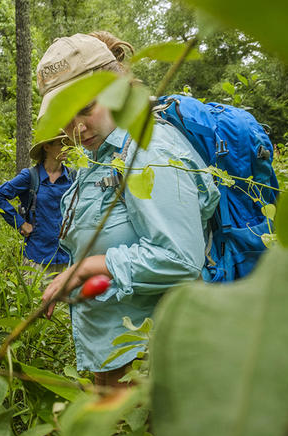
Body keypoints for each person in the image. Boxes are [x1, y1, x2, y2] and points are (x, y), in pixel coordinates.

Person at [39, 32, 220, 386]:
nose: (75, 126)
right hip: (116, 356)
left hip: (154, 361)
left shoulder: (149, 151)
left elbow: (181, 257)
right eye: (63, 113)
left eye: (87, 107)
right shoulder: (102, 156)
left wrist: (88, 267)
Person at [0, 133, 73, 282]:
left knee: (63, 305)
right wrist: (21, 223)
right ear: (47, 147)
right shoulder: (30, 176)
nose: (66, 147)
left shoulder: (73, 177)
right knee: (34, 304)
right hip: (36, 258)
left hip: (67, 258)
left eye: (67, 143)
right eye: (61, 144)